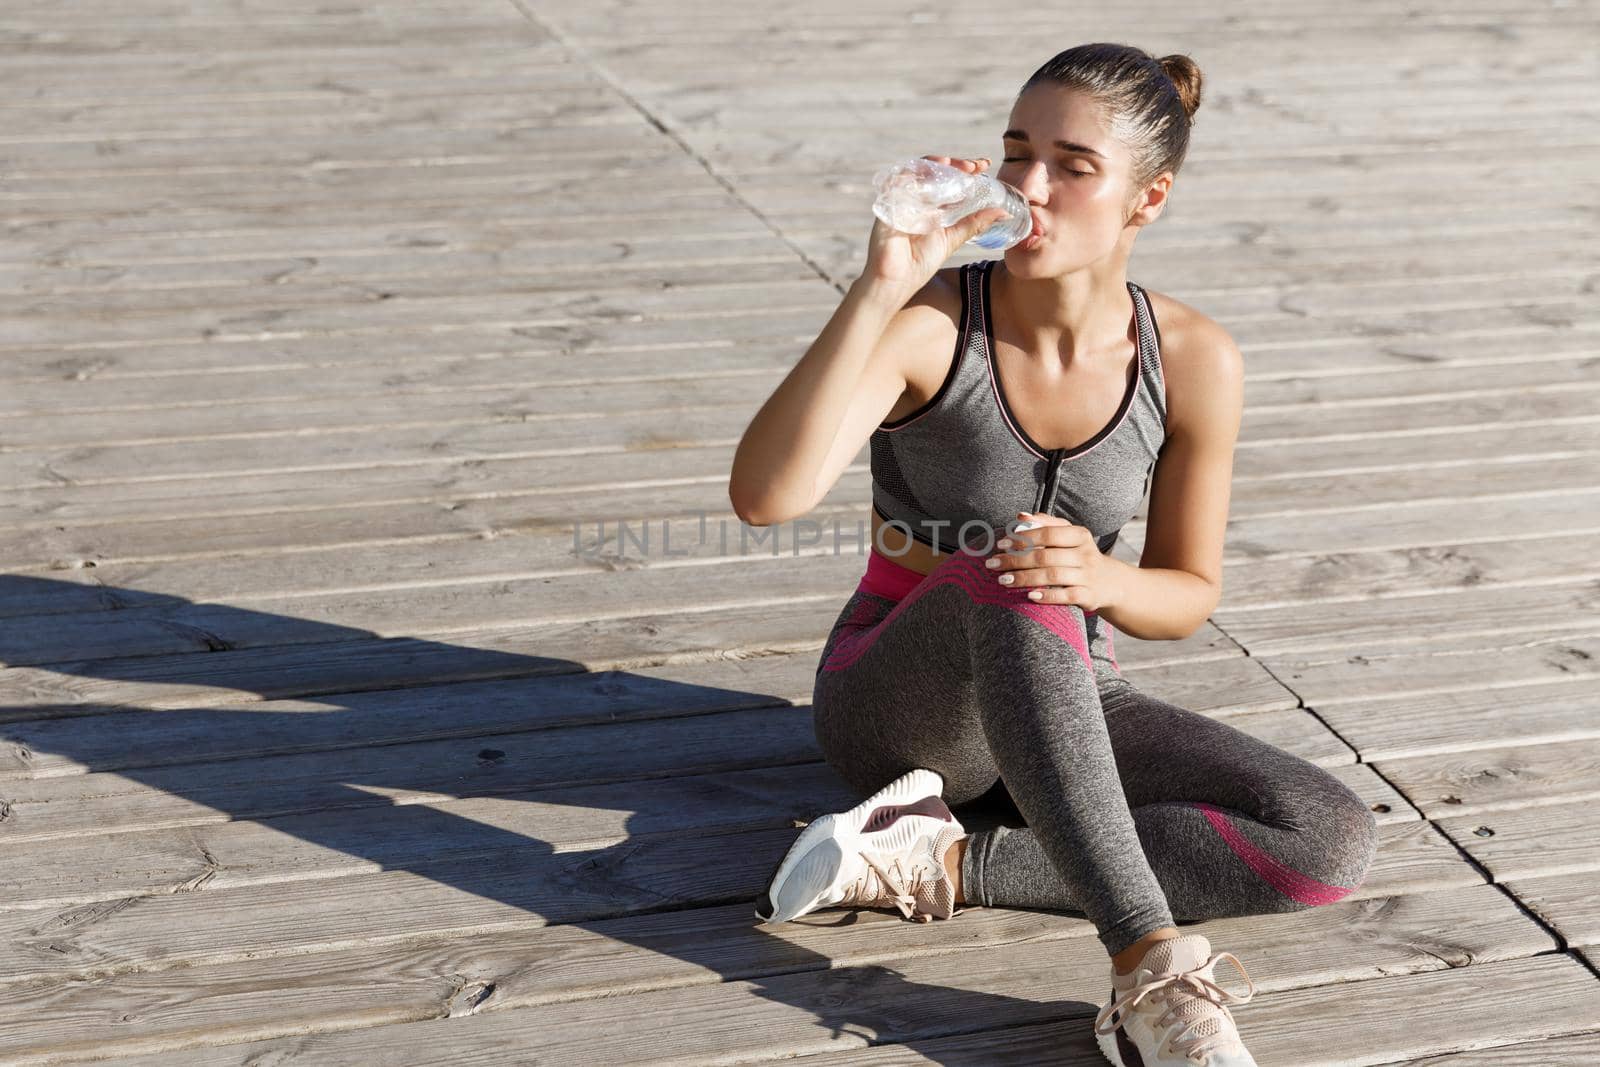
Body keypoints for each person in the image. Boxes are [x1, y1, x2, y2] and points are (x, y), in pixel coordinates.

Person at [728, 43, 1378, 1067]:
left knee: (1321, 836)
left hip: (1072, 688)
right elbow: (766, 497)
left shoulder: (1195, 358)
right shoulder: (937, 326)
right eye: (1014, 152)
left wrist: (1108, 581)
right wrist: (878, 285)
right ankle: (1150, 970)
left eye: (1072, 166)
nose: (1027, 186)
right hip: (900, 704)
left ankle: (935, 856)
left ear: (1145, 199)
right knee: (1008, 570)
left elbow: (1184, 593)